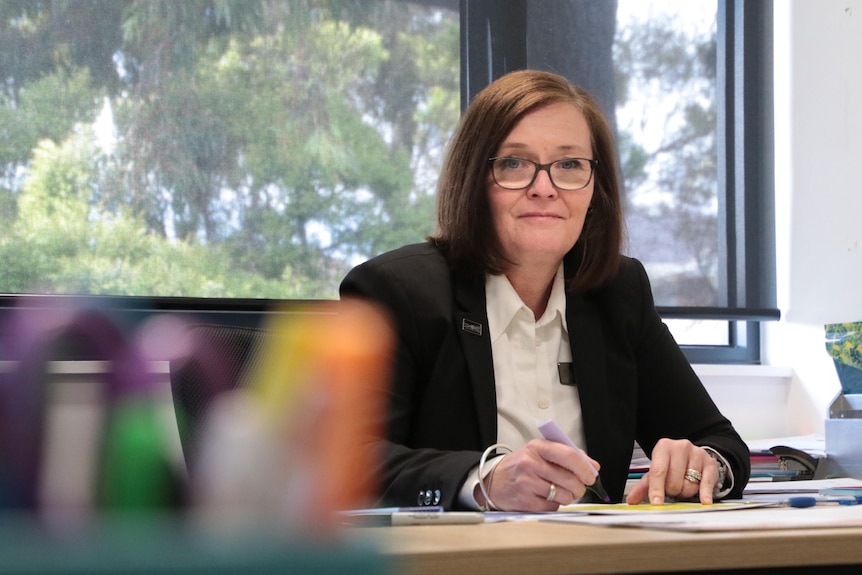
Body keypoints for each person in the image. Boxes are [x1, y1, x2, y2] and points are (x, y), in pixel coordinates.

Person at [339, 69, 750, 512]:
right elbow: (346, 461)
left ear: (596, 190)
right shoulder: (399, 292)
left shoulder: (618, 292)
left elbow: (720, 441)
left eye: (570, 165)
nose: (544, 188)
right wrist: (484, 481)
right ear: (474, 181)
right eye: (514, 163)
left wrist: (701, 464)